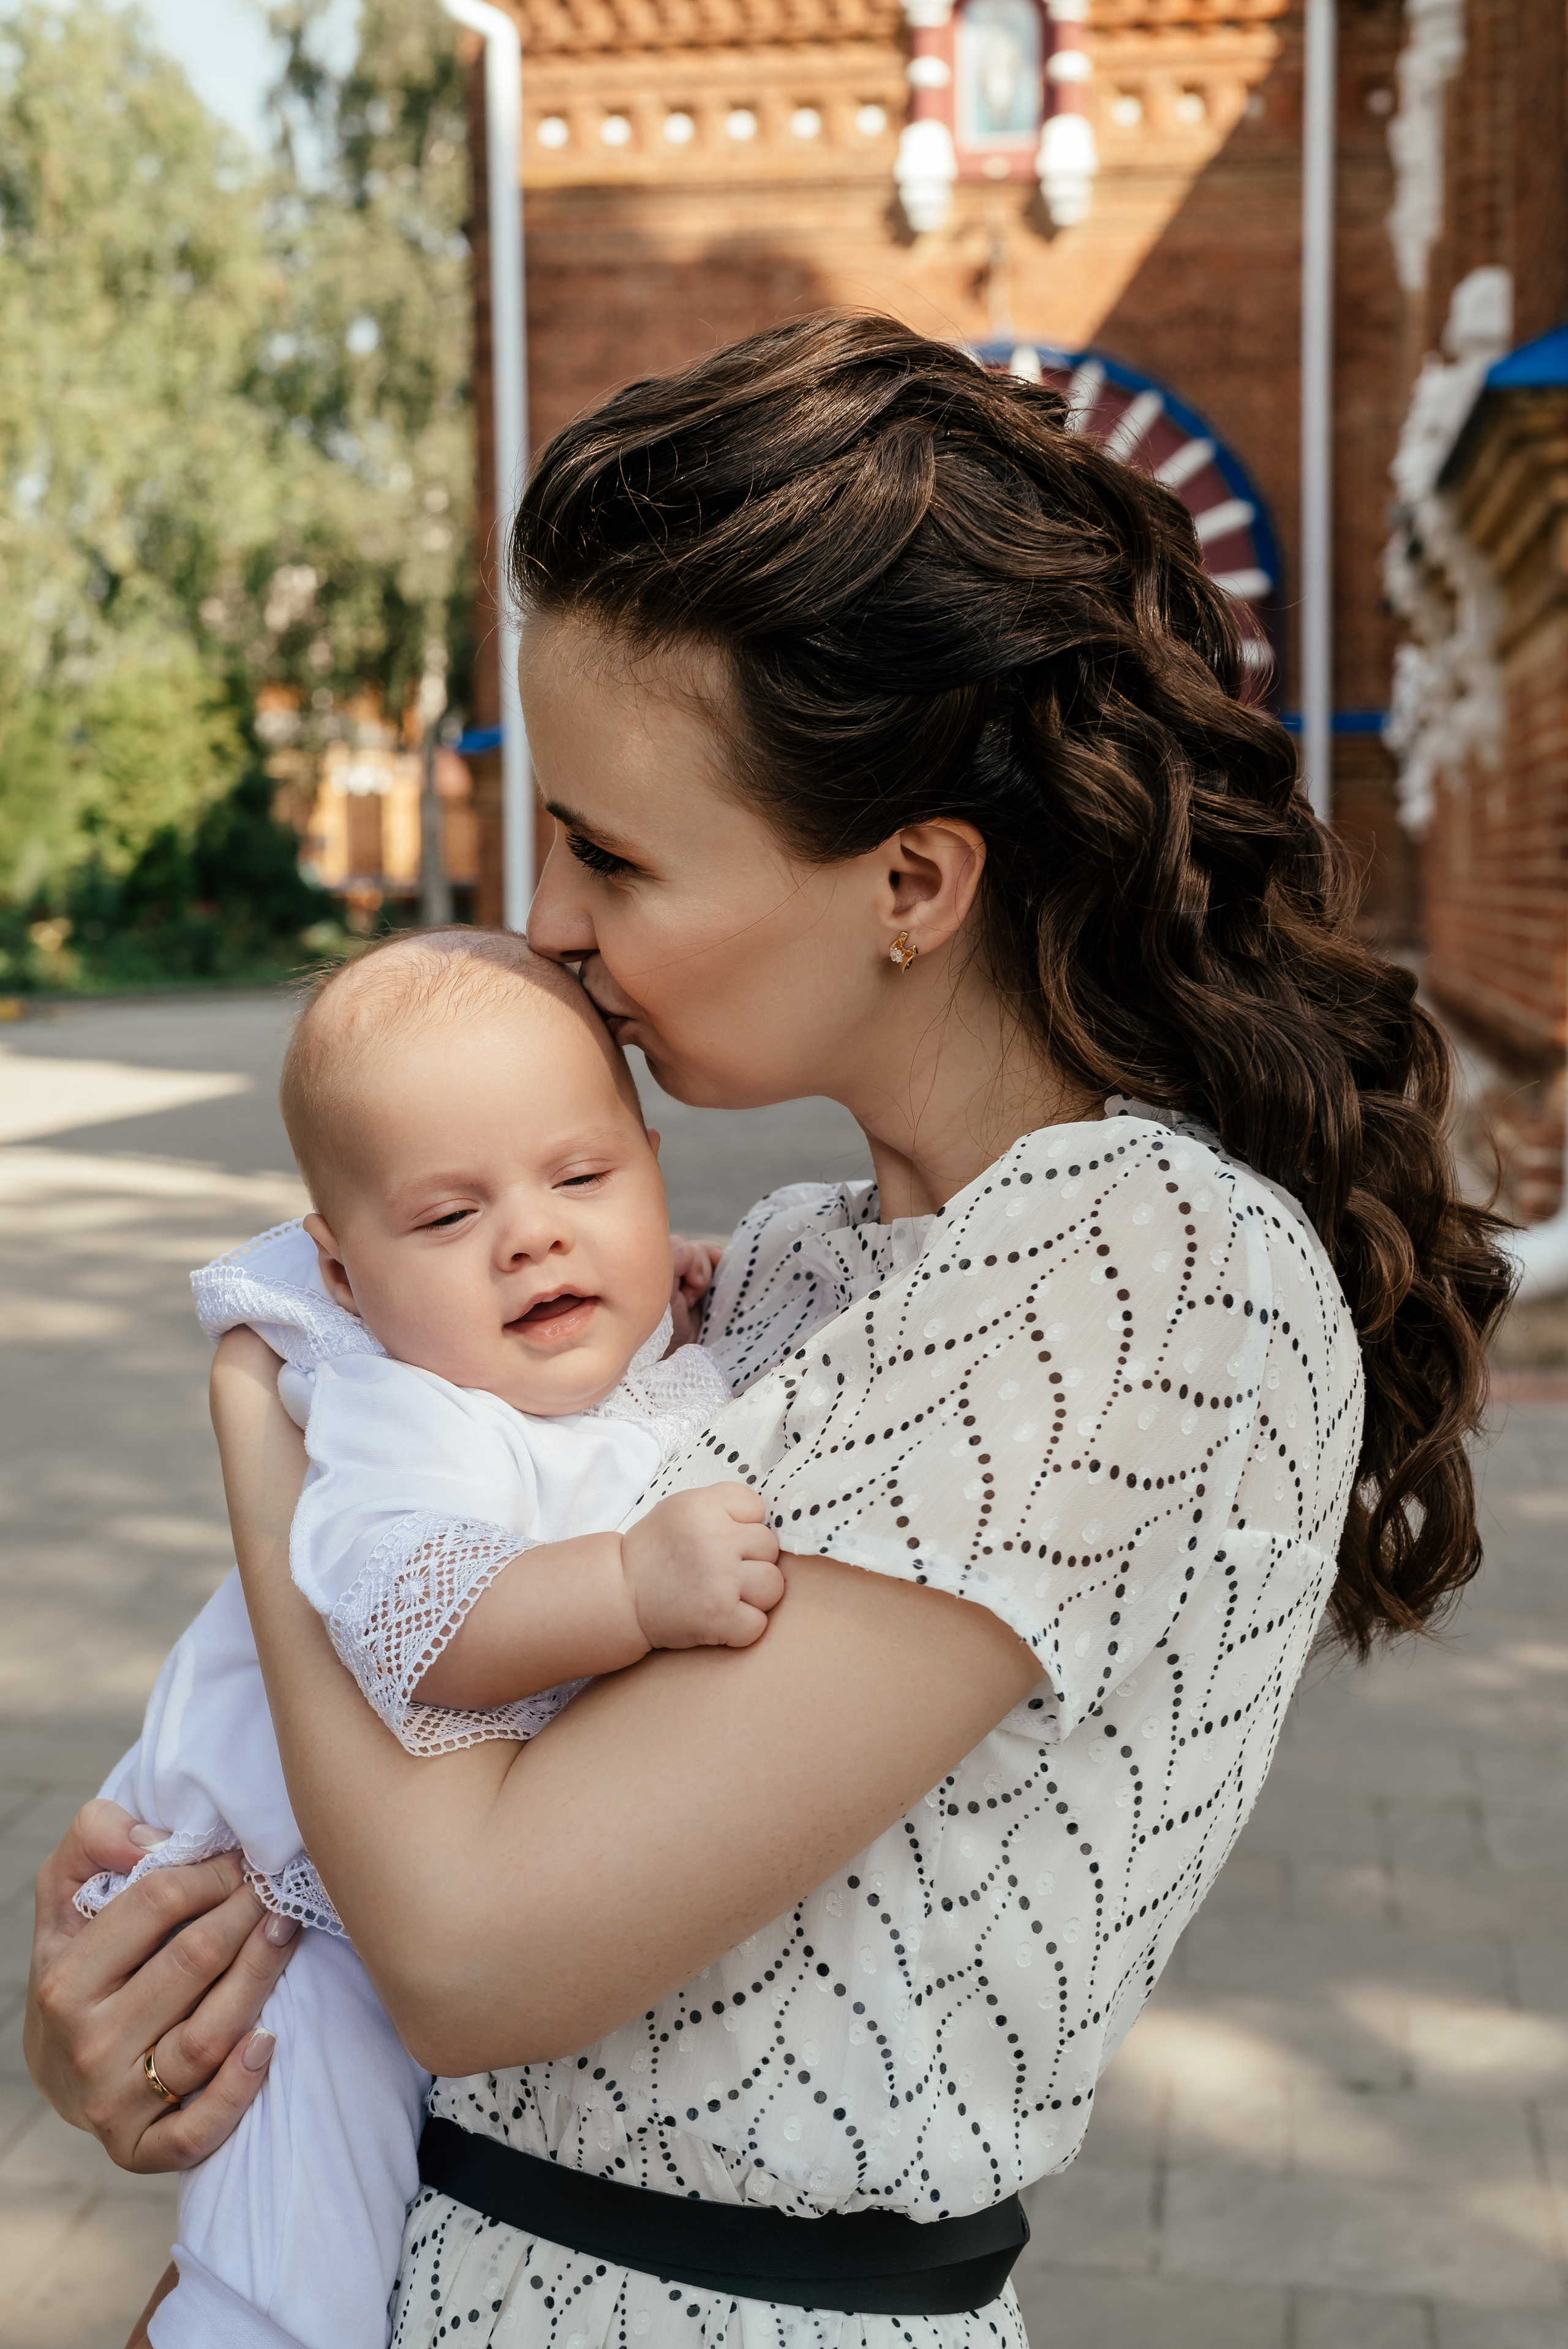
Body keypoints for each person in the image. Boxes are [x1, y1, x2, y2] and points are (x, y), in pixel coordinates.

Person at [27, 315, 1511, 2349]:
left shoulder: (1145, 1275)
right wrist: (177, 2020)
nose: (547, 920)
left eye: (615, 852)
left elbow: (472, 1945)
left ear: (911, 876)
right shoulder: (802, 1265)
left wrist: (273, 1420)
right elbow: (415, 1912)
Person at [82, 930, 778, 2349]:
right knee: (301, 2249)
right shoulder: (399, 1415)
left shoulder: (608, 1345)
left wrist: (663, 1290)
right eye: (448, 1219)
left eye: (585, 1181)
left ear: (649, 1166)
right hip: (265, 1911)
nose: (530, 1235)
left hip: (389, 1875)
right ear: (342, 1278)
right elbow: (419, 1625)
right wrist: (632, 1587)